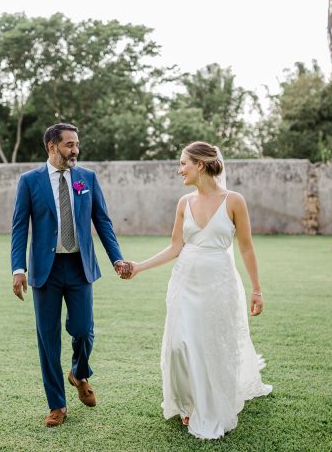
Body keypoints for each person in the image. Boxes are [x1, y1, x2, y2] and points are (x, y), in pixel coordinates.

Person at [122, 141, 272, 440]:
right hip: (184, 282)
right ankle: (187, 402)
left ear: (200, 165)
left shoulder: (234, 201)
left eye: (183, 164)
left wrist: (257, 290)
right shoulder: (183, 203)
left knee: (212, 345)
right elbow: (176, 247)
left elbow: (246, 248)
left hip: (219, 283)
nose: (180, 170)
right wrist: (139, 266)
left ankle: (211, 406)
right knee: (179, 345)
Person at [10, 123, 132, 427]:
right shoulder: (29, 181)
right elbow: (19, 227)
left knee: (83, 330)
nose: (75, 150)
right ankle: (57, 405)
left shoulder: (87, 178)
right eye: (69, 145)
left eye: (76, 144)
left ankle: (79, 373)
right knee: (48, 340)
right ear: (52, 146)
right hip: (45, 272)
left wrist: (116, 257)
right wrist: (18, 268)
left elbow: (103, 221)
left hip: (80, 267)